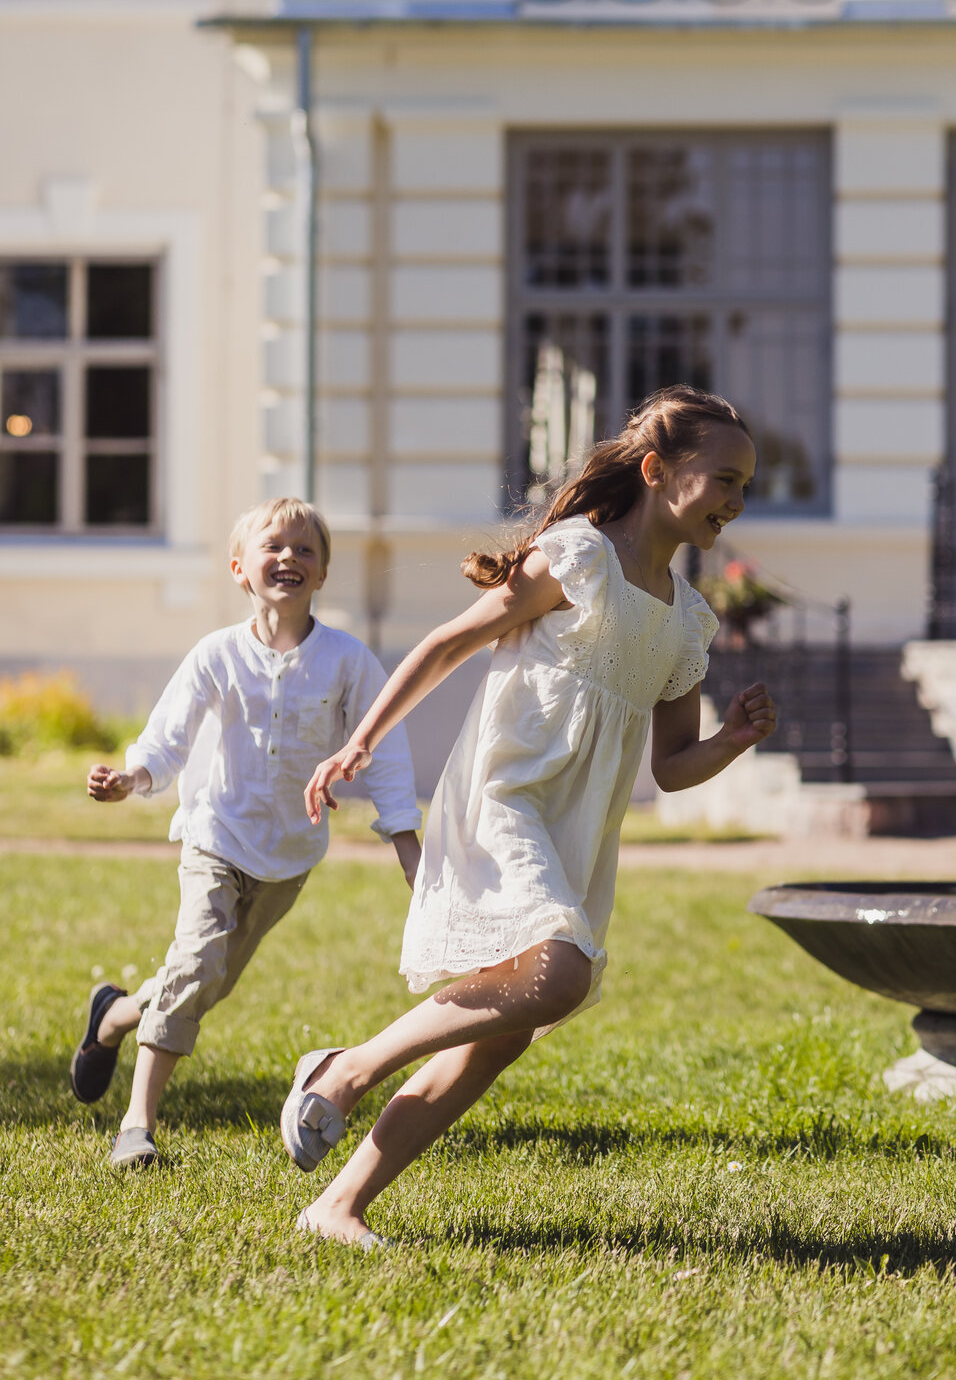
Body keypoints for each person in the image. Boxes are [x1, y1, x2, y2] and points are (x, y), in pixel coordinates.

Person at [279, 385, 777, 1247]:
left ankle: (339, 1205)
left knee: (501, 1036)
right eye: (724, 480)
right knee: (561, 976)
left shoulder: (687, 621)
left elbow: (671, 765)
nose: (735, 502)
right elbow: (447, 643)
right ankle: (346, 1066)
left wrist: (729, 742)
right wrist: (358, 742)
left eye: (746, 487)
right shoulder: (577, 557)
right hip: (506, 796)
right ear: (656, 471)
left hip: (578, 832)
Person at [70, 497, 422, 1169]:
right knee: (197, 964)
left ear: (322, 574)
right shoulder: (216, 655)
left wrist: (405, 839)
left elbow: (386, 751)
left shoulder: (348, 662)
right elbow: (167, 739)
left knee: (205, 981)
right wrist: (131, 778)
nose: (288, 557)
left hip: (288, 857)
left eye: (305, 550)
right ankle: (135, 1127)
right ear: (240, 568)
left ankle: (114, 1017)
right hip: (215, 835)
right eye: (273, 547)